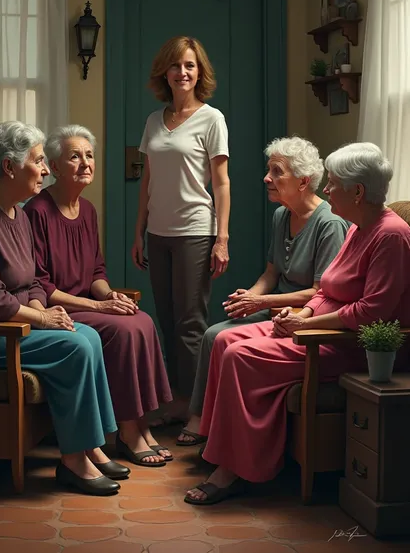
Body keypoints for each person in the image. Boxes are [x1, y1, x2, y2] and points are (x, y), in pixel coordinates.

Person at [184, 142, 410, 505]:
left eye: (333, 183)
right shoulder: (358, 226)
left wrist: (310, 324)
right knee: (224, 341)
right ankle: (220, 448)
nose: (328, 189)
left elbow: (372, 312)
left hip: (350, 345)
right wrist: (302, 314)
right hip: (320, 326)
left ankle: (236, 470)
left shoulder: (391, 235)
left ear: (358, 192)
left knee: (240, 356)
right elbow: (328, 289)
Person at [0, 122, 126, 497]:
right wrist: (41, 318)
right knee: (76, 345)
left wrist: (45, 312)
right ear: (10, 167)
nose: (44, 169)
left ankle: (90, 446)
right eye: (38, 161)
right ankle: (74, 460)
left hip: (13, 324)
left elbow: (34, 282)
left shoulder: (17, 214)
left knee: (86, 335)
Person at [178, 136, 349, 445]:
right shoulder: (282, 214)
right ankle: (203, 417)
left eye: (276, 171)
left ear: (302, 181)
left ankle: (216, 427)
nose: (266, 178)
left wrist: (261, 300)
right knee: (212, 333)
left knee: (220, 337)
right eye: (269, 170)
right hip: (271, 305)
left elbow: (319, 292)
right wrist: (249, 297)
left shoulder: (330, 224)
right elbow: (271, 273)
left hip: (299, 314)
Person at [24, 125, 173, 467]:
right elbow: (42, 286)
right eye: (74, 156)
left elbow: (96, 273)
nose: (85, 163)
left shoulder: (88, 210)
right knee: (122, 330)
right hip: (59, 309)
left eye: (89, 155)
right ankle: (127, 432)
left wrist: (113, 298)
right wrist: (100, 305)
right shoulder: (37, 212)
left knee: (140, 319)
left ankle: (141, 424)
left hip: (89, 303)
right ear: (55, 168)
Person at [132, 35, 230, 422]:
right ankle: (174, 400)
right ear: (165, 72)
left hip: (195, 231)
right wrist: (138, 232)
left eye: (190, 65)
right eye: (176, 65)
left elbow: (221, 182)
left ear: (199, 72)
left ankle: (196, 410)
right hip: (158, 234)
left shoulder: (212, 118)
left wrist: (221, 238)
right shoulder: (154, 121)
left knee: (190, 322)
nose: (183, 72)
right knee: (167, 320)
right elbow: (147, 181)